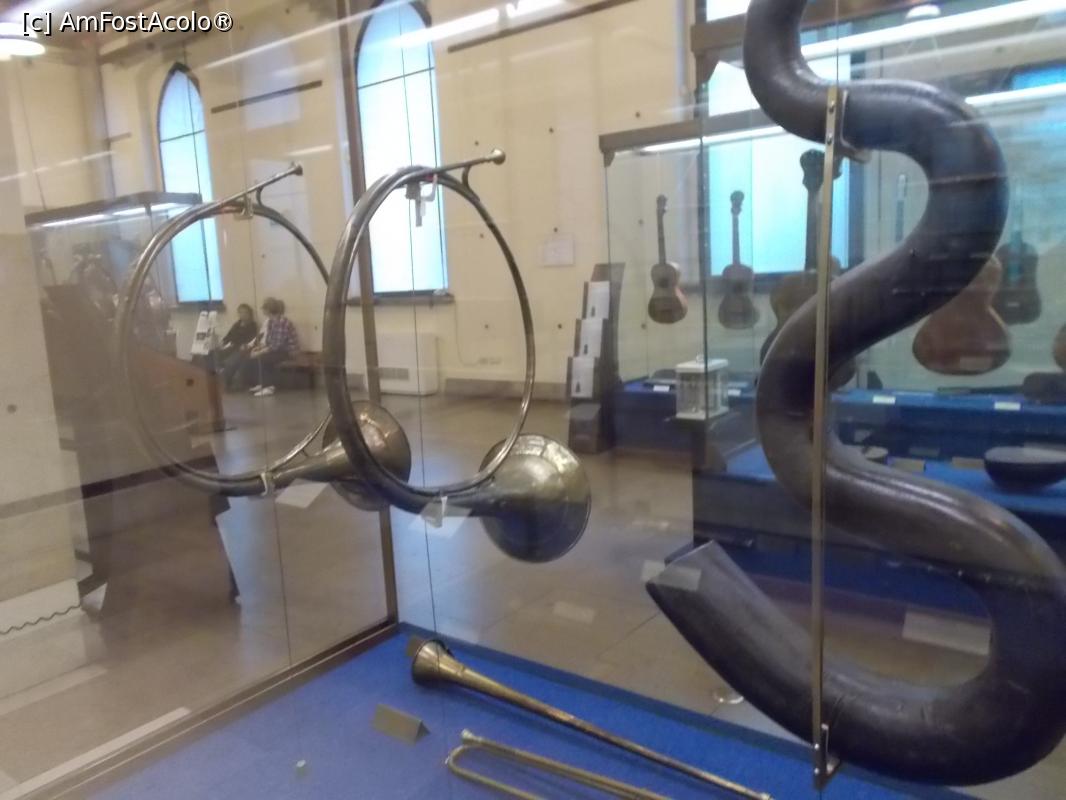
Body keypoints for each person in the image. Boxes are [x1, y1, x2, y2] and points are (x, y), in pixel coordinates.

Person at [242, 297, 299, 397]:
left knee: (263, 358)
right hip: (278, 350)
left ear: (268, 310)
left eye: (264, 308)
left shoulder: (282, 322)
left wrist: (260, 352)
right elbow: (269, 340)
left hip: (288, 351)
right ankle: (261, 383)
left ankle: (269, 387)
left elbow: (278, 344)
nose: (262, 310)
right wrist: (259, 348)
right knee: (252, 358)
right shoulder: (271, 322)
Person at [218, 303, 259, 390]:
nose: (243, 315)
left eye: (245, 312)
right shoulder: (237, 324)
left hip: (243, 349)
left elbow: (252, 340)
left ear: (249, 314)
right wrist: (223, 342)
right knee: (214, 354)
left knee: (231, 362)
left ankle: (224, 382)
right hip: (232, 346)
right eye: (241, 312)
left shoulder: (252, 325)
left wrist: (243, 345)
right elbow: (229, 336)